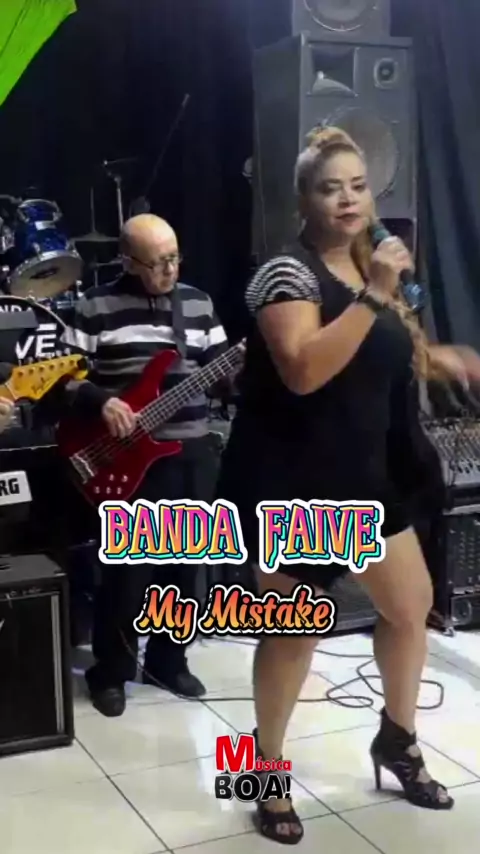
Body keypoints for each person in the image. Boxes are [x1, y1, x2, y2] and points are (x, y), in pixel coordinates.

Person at [217, 127, 480, 844]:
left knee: (410, 607)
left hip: (367, 476)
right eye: (330, 187)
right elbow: (304, 369)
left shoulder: (369, 265)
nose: (348, 199)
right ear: (303, 199)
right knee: (293, 634)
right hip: (295, 481)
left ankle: (397, 739)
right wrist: (376, 293)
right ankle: (265, 770)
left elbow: (377, 356)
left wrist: (438, 358)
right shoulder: (285, 273)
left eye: (359, 186)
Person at [59, 214, 228, 716]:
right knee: (126, 575)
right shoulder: (95, 306)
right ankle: (110, 672)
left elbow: (222, 369)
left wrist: (240, 372)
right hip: (128, 459)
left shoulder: (198, 303)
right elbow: (61, 378)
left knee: (185, 569)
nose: (169, 270)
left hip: (191, 453)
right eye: (157, 263)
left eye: (175, 258)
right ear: (128, 261)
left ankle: (169, 662)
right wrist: (102, 402)